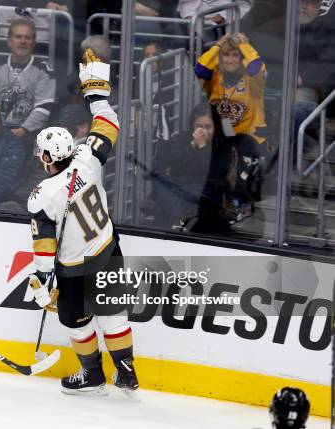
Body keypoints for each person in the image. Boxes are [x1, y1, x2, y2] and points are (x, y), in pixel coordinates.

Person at [27, 49, 138, 395]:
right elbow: (108, 124)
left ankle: (92, 375)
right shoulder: (87, 156)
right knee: (114, 315)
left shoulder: (43, 194)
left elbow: (45, 244)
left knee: (77, 322)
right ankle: (126, 371)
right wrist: (96, 93)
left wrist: (43, 277)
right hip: (107, 247)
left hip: (75, 267)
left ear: (48, 157)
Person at [194, 32, 266, 213]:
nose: (230, 60)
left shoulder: (252, 80)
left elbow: (256, 68)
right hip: (222, 137)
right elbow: (200, 69)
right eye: (226, 55)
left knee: (238, 150)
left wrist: (244, 45)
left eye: (236, 55)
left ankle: (239, 203)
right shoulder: (215, 77)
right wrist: (218, 46)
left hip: (249, 139)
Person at [153, 103, 233, 233]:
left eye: (208, 127)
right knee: (161, 182)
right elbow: (173, 164)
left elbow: (215, 171)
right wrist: (192, 145)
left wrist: (202, 146)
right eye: (199, 126)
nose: (202, 131)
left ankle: (177, 222)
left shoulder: (221, 145)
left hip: (205, 187)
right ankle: (177, 221)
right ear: (193, 126)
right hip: (181, 185)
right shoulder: (183, 138)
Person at [0, 18, 56, 145]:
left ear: (33, 43)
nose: (23, 41)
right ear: (9, 41)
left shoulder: (44, 70)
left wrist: (23, 130)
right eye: (18, 37)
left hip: (29, 135)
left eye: (27, 38)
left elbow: (44, 107)